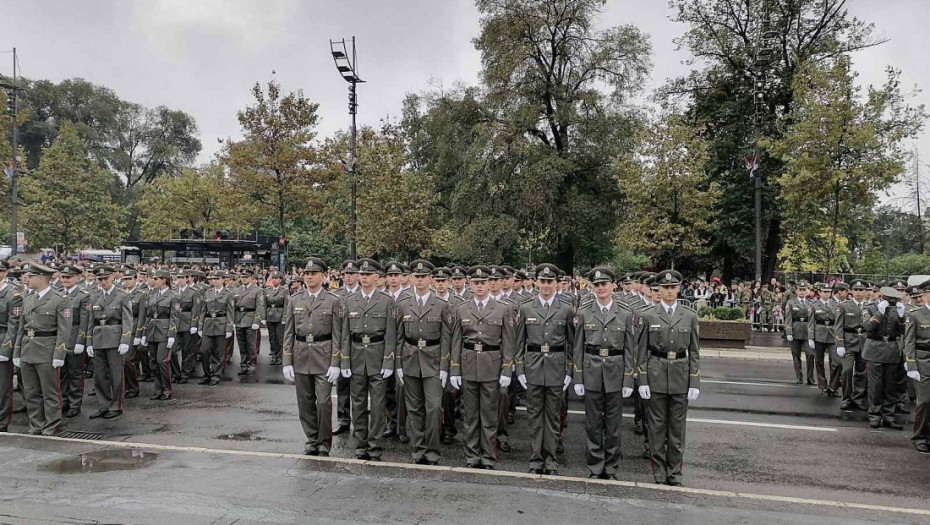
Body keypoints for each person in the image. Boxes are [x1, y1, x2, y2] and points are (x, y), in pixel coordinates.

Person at [638, 270, 701, 487]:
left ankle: (675, 473)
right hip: (656, 374)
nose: (669, 292)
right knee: (656, 428)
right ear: (659, 290)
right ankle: (659, 472)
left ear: (679, 288)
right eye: (665, 288)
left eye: (673, 287)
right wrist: (642, 380)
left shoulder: (689, 315)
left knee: (677, 430)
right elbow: (641, 351)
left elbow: (694, 351)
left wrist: (694, 381)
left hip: (680, 376)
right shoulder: (649, 315)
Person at [449, 265, 516, 470]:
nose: (479, 287)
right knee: (470, 415)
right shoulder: (461, 309)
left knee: (488, 415)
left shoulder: (503, 309)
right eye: (476, 283)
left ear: (489, 284)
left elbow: (508, 342)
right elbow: (456, 342)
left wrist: (506, 369)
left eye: (483, 283)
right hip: (468, 365)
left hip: (491, 365)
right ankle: (471, 456)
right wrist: (454, 369)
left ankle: (487, 456)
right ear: (470, 284)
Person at [572, 267, 634, 479]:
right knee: (593, 423)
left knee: (614, 425)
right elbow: (578, 347)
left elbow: (630, 349)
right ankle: (595, 466)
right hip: (592, 372)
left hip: (615, 372)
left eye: (604, 284)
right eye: (597, 285)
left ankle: (611, 466)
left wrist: (628, 379)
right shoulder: (584, 312)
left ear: (613, 285)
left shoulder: (625, 313)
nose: (600, 288)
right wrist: (578, 376)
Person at [512, 263, 574, 476]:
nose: (546, 285)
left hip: (556, 367)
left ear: (557, 283)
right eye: (543, 281)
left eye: (550, 282)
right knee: (534, 416)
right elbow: (519, 342)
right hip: (533, 366)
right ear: (536, 282)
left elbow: (572, 345)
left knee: (553, 416)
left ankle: (551, 460)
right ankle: (536, 458)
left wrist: (569, 371)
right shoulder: (526, 308)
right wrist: (519, 370)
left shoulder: (566, 309)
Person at [392, 259, 453, 465]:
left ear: (430, 279)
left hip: (434, 361)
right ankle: (418, 449)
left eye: (423, 277)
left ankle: (433, 450)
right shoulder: (402, 304)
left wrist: (445, 366)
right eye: (416, 277)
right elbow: (398, 337)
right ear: (411, 279)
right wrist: (398, 364)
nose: (419, 280)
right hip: (410, 360)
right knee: (415, 408)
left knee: (434, 408)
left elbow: (447, 339)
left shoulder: (442, 305)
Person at [282, 257, 343, 457]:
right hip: (301, 355)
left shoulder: (333, 300)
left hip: (323, 356)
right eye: (306, 274)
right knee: (305, 401)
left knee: (324, 402)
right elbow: (289, 333)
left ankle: (324, 442)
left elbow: (337, 334)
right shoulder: (294, 299)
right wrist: (287, 361)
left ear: (323, 276)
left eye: (313, 273)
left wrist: (336, 362)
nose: (309, 277)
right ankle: (311, 439)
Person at [341, 258, 397, 461]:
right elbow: (345, 335)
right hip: (356, 356)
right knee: (358, 403)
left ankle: (374, 445)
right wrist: (344, 361)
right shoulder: (348, 301)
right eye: (361, 275)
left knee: (377, 405)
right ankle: (361, 443)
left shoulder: (387, 301)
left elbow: (391, 335)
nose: (364, 278)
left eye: (367, 275)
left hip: (378, 354)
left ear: (376, 277)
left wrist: (389, 361)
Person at [13, 263, 71, 436]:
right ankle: (36, 424)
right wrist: (17, 351)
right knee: (31, 391)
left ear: (41, 277)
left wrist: (59, 353)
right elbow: (21, 327)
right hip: (28, 349)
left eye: (30, 276)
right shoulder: (28, 298)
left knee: (50, 392)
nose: (26, 279)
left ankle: (52, 425)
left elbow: (64, 330)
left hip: (47, 349)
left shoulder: (59, 299)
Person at [84, 265, 133, 420]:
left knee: (116, 375)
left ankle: (116, 405)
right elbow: (90, 321)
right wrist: (89, 342)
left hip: (115, 338)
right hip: (98, 338)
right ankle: (103, 404)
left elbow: (127, 319)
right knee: (99, 375)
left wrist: (125, 339)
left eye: (106, 279)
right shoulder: (94, 297)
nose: (103, 282)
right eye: (100, 279)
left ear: (112, 277)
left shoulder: (121, 296)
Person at [862, 286, 905, 430]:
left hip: (891, 349)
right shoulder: (870, 308)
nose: (891, 303)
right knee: (875, 386)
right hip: (875, 348)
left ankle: (888, 416)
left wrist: (901, 316)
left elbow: (903, 331)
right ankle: (874, 415)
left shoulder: (897, 309)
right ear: (882, 297)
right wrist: (879, 314)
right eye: (889, 300)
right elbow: (867, 327)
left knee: (890, 385)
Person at [140, 269, 180, 400]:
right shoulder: (151, 295)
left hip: (164, 332)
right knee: (153, 362)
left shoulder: (173, 296)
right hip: (152, 331)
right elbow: (148, 315)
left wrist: (171, 335)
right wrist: (144, 333)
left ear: (164, 280)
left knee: (162, 361)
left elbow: (175, 317)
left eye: (156, 279)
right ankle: (158, 389)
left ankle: (166, 388)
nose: (153, 281)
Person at [333, 260, 361, 435]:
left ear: (358, 275)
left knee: (359, 386)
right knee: (342, 384)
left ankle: (360, 421)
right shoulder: (336, 296)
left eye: (352, 274)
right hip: (341, 344)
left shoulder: (365, 294)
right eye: (346, 274)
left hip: (359, 344)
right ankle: (343, 420)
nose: (348, 277)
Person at [834, 279, 869, 411]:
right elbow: (838, 326)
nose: (858, 293)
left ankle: (858, 397)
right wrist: (839, 343)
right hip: (848, 342)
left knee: (861, 372)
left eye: (861, 290)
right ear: (851, 291)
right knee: (847, 370)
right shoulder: (844, 306)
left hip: (864, 342)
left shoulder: (870, 306)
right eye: (856, 290)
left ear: (865, 292)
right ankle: (846, 398)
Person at [904, 279, 930, 453]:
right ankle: (919, 436)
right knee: (925, 401)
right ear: (926, 295)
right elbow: (909, 341)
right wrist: (911, 364)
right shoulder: (916, 314)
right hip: (923, 360)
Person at [198, 271, 235, 386]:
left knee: (219, 352)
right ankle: (207, 374)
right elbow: (203, 311)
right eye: (213, 279)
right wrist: (200, 325)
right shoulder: (208, 293)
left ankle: (216, 375)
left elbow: (230, 312)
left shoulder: (228, 294)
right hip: (208, 324)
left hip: (221, 324)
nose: (215, 281)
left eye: (217, 278)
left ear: (223, 280)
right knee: (204, 351)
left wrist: (229, 328)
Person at [0, 260, 23, 433]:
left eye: (1, 271)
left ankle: (2, 421)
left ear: (6, 273)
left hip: (2, 338)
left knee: (3, 385)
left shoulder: (12, 295)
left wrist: (7, 348)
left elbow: (13, 324)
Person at [232, 270, 265, 377]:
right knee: (241, 345)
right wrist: (232, 320)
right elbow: (233, 307)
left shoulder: (257, 290)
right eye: (242, 277)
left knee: (251, 345)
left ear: (251, 278)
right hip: (239, 319)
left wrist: (257, 321)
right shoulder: (236, 289)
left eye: (246, 277)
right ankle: (243, 365)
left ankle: (251, 365)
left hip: (250, 319)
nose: (244, 279)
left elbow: (260, 307)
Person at [808, 283, 838, 396]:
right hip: (819, 335)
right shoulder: (814, 305)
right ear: (820, 292)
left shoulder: (835, 304)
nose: (827, 294)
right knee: (819, 362)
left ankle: (833, 386)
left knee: (837, 362)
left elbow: (838, 322)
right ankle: (823, 386)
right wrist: (811, 337)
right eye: (824, 291)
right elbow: (811, 322)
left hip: (832, 334)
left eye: (828, 292)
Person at [785, 281, 815, 385]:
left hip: (807, 332)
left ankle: (810, 377)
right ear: (796, 291)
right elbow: (788, 318)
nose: (802, 292)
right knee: (796, 355)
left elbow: (813, 319)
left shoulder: (811, 303)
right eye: (800, 290)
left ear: (807, 291)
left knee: (811, 354)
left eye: (804, 290)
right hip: (795, 330)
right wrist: (788, 332)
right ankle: (799, 377)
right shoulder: (791, 303)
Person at [264, 271, 288, 366]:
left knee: (280, 338)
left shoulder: (284, 290)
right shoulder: (267, 290)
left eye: (276, 278)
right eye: (273, 278)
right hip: (270, 315)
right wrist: (263, 317)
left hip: (280, 315)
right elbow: (264, 304)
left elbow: (286, 305)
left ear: (280, 279)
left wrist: (285, 317)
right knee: (272, 338)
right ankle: (274, 355)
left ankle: (280, 356)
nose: (274, 280)